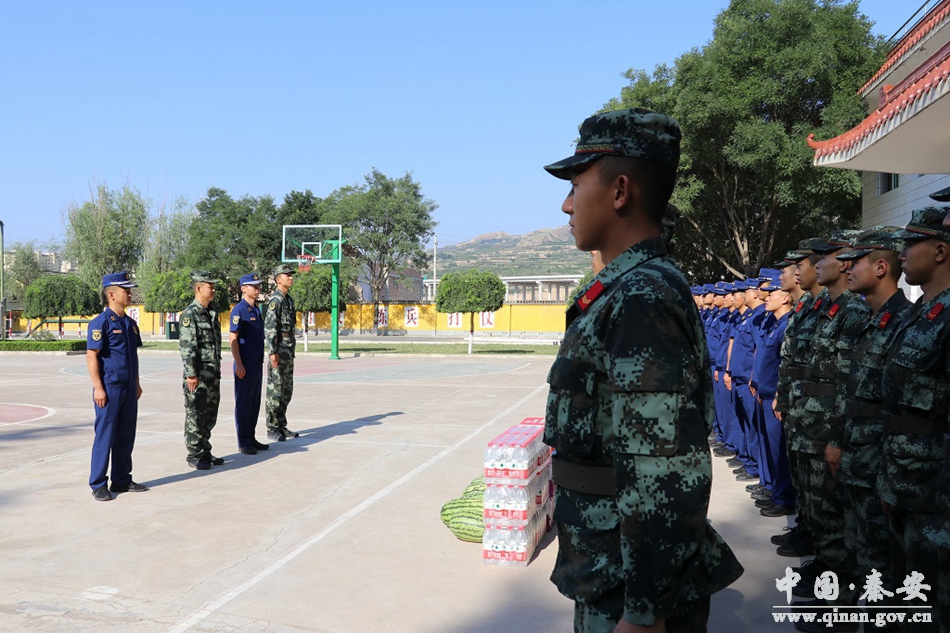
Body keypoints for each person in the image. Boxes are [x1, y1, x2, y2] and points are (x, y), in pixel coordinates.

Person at [542, 108, 742, 633]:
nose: (566, 204)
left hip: (628, 585)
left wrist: (646, 612)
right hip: (608, 567)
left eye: (575, 185)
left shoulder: (640, 296)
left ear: (619, 191)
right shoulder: (626, 290)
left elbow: (662, 467)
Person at [834, 227, 911, 632]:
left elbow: (899, 412)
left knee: (884, 567)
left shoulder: (904, 322)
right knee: (862, 555)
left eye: (856, 261)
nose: (847, 268)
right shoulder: (871, 321)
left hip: (882, 467)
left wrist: (889, 476)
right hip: (858, 459)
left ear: (881, 267)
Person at [880, 206, 950, 632]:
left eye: (911, 244)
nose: (902, 254)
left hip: (933, 494)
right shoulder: (920, 311)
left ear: (940, 251)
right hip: (904, 481)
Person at [86, 272, 146, 501]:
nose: (130, 294)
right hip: (109, 389)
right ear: (111, 294)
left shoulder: (130, 324)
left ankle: (121, 479)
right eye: (125, 290)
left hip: (128, 388)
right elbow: (92, 355)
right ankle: (98, 484)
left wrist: (137, 383)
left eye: (130, 290)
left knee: (125, 436)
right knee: (105, 436)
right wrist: (98, 387)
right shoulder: (100, 323)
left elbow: (133, 356)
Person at [179, 271, 223, 470]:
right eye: (209, 286)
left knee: (210, 415)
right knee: (196, 414)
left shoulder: (211, 312)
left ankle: (205, 450)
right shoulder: (190, 314)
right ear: (198, 288)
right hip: (197, 376)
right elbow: (187, 347)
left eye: (213, 286)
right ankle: (194, 454)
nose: (213, 290)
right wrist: (191, 374)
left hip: (212, 373)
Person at [229, 273, 269, 455]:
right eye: (253, 286)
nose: (257, 289)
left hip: (256, 364)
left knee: (254, 403)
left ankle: (251, 438)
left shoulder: (256, 310)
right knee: (244, 404)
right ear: (243, 289)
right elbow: (233, 338)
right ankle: (244, 441)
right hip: (244, 364)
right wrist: (238, 364)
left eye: (258, 286)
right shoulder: (239, 310)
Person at [265, 263, 299, 441]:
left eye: (291, 275)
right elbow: (270, 327)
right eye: (287, 275)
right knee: (275, 390)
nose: (291, 278)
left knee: (286, 390)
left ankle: (281, 425)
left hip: (288, 351)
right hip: (278, 351)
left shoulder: (289, 300)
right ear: (278, 280)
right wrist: (272, 352)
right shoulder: (275, 301)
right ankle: (272, 427)